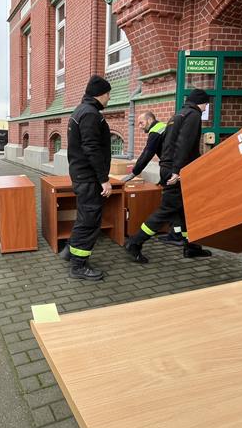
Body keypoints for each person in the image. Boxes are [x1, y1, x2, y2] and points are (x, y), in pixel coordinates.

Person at [124, 89, 213, 263]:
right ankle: (135, 243)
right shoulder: (193, 115)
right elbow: (184, 144)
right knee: (166, 210)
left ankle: (192, 247)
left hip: (169, 168)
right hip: (177, 171)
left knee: (185, 209)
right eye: (206, 105)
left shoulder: (178, 115)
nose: (205, 108)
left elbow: (170, 145)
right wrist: (177, 170)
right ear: (201, 103)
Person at [62, 75, 113, 280]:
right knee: (90, 221)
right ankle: (79, 266)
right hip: (89, 177)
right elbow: (91, 148)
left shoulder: (80, 110)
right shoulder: (91, 114)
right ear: (101, 94)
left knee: (85, 217)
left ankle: (69, 250)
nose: (109, 98)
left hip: (82, 174)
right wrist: (103, 179)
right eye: (108, 94)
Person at [121, 112, 184, 247]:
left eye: (141, 123)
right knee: (176, 205)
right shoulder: (163, 127)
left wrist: (133, 173)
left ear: (150, 120)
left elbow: (147, 154)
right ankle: (177, 234)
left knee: (167, 206)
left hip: (171, 172)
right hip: (176, 170)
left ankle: (137, 241)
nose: (139, 126)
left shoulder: (155, 131)